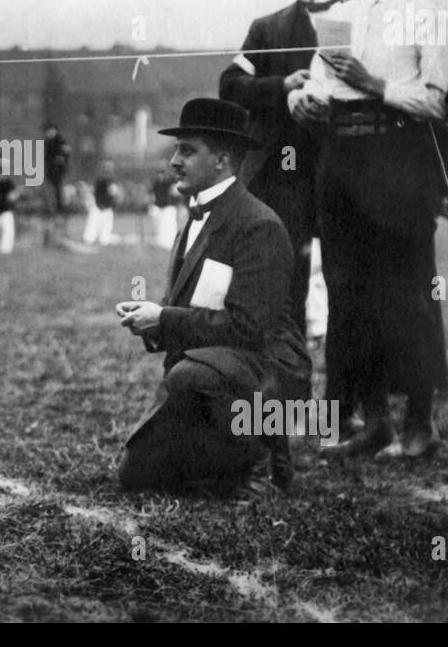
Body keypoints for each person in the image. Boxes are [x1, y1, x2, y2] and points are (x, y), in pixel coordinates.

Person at [288, 0, 448, 460]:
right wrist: (303, 100)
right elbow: (315, 80)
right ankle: (375, 420)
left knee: (407, 294)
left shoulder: (424, 12)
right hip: (341, 160)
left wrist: (376, 86)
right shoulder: (343, 13)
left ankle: (421, 424)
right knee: (348, 294)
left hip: (397, 159)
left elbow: (435, 100)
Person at [115, 98, 310, 499]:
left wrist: (164, 318)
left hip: (268, 371)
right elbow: (194, 314)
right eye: (176, 149)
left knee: (191, 376)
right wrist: (151, 322)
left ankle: (266, 462)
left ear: (221, 160)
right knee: (135, 475)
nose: (174, 161)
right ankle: (222, 463)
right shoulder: (197, 218)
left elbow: (248, 328)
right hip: (217, 369)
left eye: (187, 150)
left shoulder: (258, 225)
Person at [220, 0, 350, 334]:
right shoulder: (268, 27)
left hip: (347, 164)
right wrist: (281, 86)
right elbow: (229, 84)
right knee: (285, 264)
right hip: (283, 170)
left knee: (353, 270)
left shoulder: (362, 18)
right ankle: (284, 351)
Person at [42, 123, 71, 243]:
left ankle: (59, 219)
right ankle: (55, 215)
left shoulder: (60, 142)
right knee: (53, 202)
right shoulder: (48, 143)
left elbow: (65, 155)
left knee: (59, 201)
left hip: (58, 176)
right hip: (51, 176)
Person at [84, 161, 120, 245]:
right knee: (93, 225)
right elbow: (111, 193)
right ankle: (90, 240)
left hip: (105, 206)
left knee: (105, 228)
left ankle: (99, 240)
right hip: (99, 206)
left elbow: (112, 194)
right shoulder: (102, 180)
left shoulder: (106, 180)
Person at [148, 167, 179, 250]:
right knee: (161, 224)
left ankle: (171, 241)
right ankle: (162, 239)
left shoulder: (170, 182)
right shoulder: (156, 183)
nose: (160, 176)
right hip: (160, 206)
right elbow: (153, 195)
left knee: (169, 224)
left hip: (169, 207)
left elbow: (176, 193)